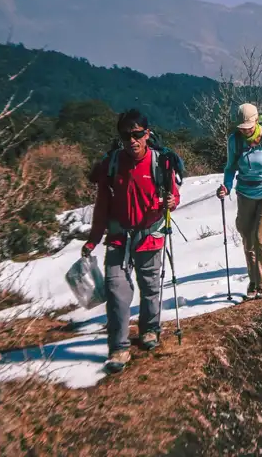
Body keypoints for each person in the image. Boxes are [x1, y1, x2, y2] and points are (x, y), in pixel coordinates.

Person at [83, 109, 180, 374]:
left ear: (147, 134)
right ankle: (118, 347)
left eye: (137, 134)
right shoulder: (112, 165)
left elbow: (173, 194)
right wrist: (93, 240)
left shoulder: (161, 162)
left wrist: (172, 201)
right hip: (117, 237)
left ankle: (150, 330)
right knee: (116, 292)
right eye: (126, 135)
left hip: (149, 234)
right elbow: (102, 206)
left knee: (150, 287)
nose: (132, 141)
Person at [217, 103, 262, 300]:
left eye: (248, 126)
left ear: (256, 121)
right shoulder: (235, 140)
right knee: (248, 239)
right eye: (242, 127)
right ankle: (254, 281)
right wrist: (226, 186)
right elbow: (230, 167)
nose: (246, 130)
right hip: (245, 191)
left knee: (261, 239)